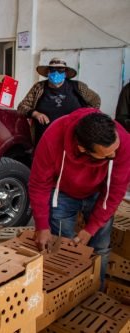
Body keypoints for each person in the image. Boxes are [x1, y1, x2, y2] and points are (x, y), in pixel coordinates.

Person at [30, 108, 130, 285]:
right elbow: (39, 184)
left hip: (100, 195)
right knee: (63, 248)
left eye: (115, 150)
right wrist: (41, 225)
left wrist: (91, 229)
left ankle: (95, 291)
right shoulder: (54, 137)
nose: (114, 155)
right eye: (107, 156)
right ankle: (66, 295)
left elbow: (115, 192)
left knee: (100, 248)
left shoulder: (122, 142)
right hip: (62, 193)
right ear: (82, 148)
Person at [18, 57, 100, 145]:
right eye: (52, 70)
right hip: (45, 138)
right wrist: (36, 114)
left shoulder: (78, 86)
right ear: (48, 73)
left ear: (65, 74)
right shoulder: (39, 87)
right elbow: (22, 106)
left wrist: (84, 116)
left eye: (60, 70)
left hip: (73, 137)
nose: (56, 73)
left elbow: (95, 100)